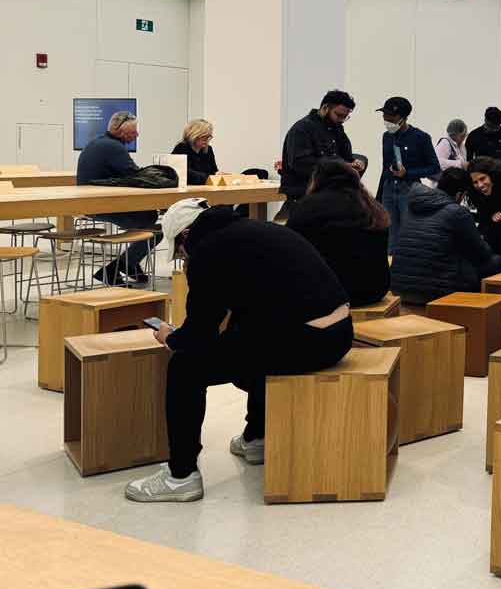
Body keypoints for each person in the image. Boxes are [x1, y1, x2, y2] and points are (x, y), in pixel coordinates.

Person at [123, 200, 353, 503]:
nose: (181, 258)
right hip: (338, 334)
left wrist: (169, 338)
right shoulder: (253, 230)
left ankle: (181, 475)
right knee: (246, 333)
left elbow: (198, 335)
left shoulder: (207, 251)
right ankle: (256, 437)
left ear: (186, 235)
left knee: (185, 368)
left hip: (307, 341)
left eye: (179, 251)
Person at [390, 168, 501, 307]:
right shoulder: (457, 212)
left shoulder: (413, 206)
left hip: (399, 287)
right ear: (459, 195)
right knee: (497, 262)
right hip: (435, 293)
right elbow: (482, 254)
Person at [286, 160, 390, 308]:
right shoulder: (372, 206)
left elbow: (290, 248)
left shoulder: (308, 206)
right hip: (375, 289)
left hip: (331, 293)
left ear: (316, 179)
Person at [75, 110, 155, 284]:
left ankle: (130, 264)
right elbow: (134, 174)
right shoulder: (113, 147)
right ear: (121, 131)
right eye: (133, 132)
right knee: (156, 229)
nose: (137, 134)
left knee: (149, 217)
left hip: (92, 204)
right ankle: (117, 268)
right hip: (101, 206)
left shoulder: (99, 143)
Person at [374, 96, 441, 253]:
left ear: (402, 118)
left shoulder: (421, 137)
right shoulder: (387, 136)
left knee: (409, 233)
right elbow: (385, 167)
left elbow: (434, 167)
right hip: (389, 189)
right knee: (390, 233)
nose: (386, 119)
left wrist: (408, 173)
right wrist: (379, 196)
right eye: (385, 115)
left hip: (410, 189)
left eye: (391, 116)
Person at [280, 90, 362, 215]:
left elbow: (345, 155)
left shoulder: (337, 129)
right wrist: (339, 165)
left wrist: (353, 162)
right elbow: (300, 163)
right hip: (304, 194)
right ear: (325, 108)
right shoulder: (302, 129)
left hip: (329, 192)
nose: (341, 120)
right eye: (339, 115)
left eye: (345, 117)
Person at [171, 119, 224, 186]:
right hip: (187, 187)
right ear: (194, 135)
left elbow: (213, 171)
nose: (206, 140)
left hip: (206, 187)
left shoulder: (208, 149)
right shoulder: (181, 148)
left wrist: (218, 174)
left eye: (208, 137)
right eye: (204, 137)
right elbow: (186, 173)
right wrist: (210, 176)